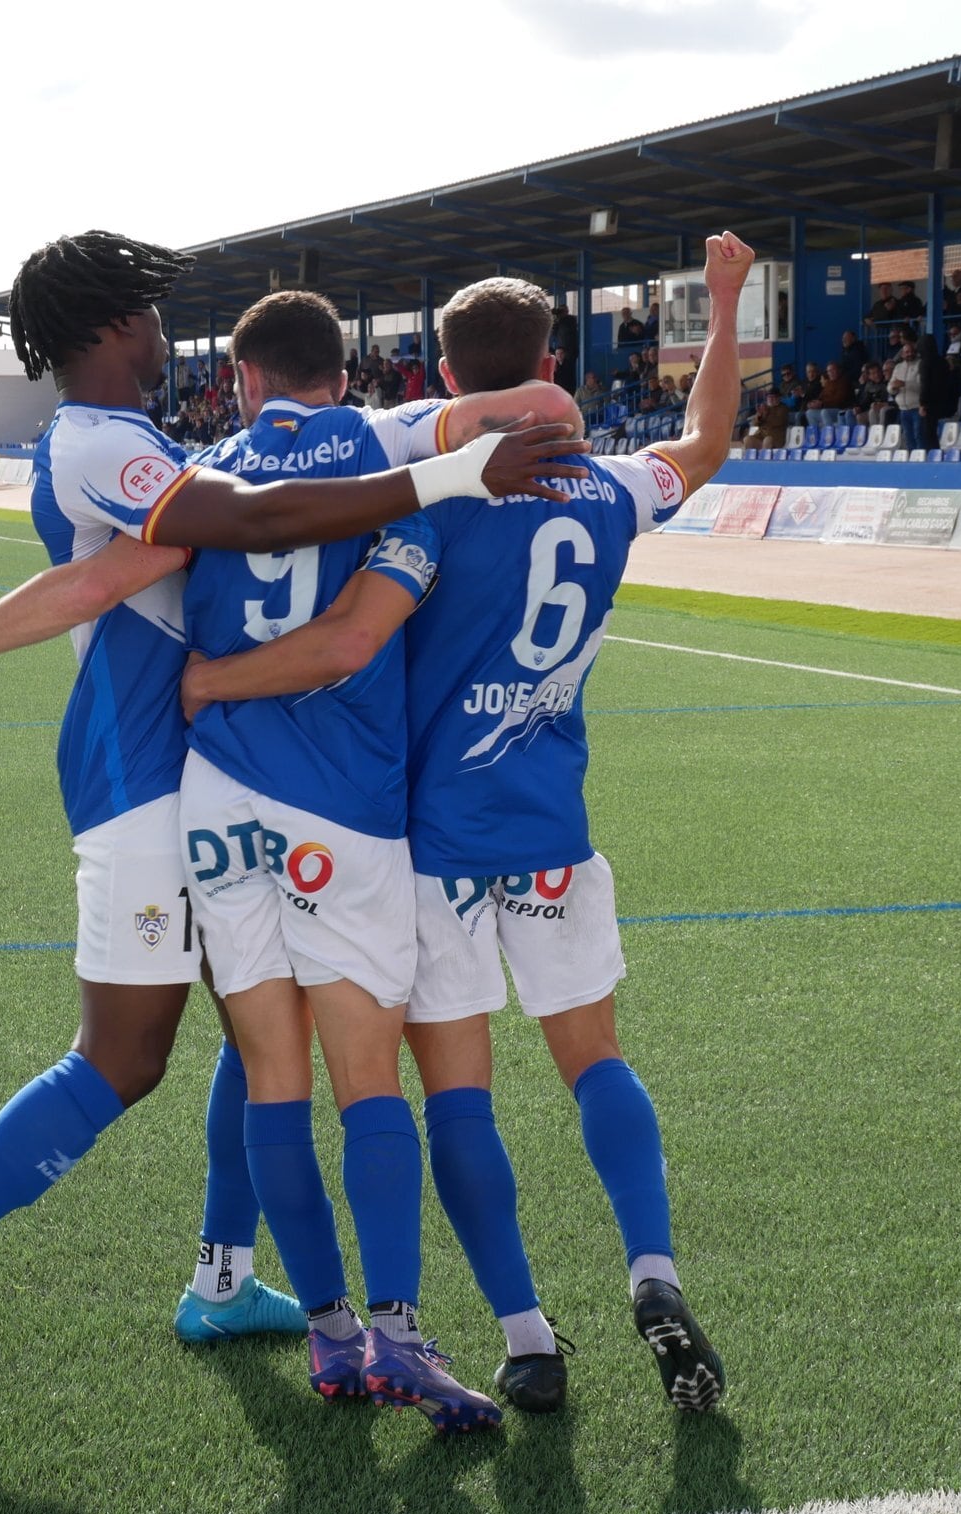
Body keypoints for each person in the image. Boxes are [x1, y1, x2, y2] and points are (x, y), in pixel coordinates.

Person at [0, 230, 587, 1422]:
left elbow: (108, 576)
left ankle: (223, 1276)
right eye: (142, 310)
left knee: (259, 1016)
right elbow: (237, 521)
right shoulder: (96, 440)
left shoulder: (141, 441)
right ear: (104, 326)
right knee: (123, 1056)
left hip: (200, 774)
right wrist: (447, 471)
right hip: (139, 779)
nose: (158, 331)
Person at [183, 236, 753, 1419]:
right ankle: (651, 1267)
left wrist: (202, 683)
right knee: (595, 1058)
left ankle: (526, 1335)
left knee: (457, 1098)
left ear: (441, 378)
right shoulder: (607, 492)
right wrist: (729, 300)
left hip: (431, 842)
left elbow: (346, 636)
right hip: (548, 823)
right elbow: (702, 443)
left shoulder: (442, 503)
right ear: (549, 360)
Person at [177, 289, 501, 1432]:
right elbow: (358, 634)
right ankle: (399, 1335)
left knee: (274, 1076)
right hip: (343, 807)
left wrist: (208, 682)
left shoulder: (203, 467)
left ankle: (326, 1332)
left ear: (246, 379)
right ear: (340, 371)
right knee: (369, 1082)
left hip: (215, 795)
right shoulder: (384, 444)